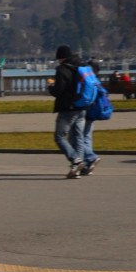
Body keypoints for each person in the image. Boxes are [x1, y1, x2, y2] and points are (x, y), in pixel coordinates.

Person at [48, 45, 87, 179]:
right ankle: (77, 169)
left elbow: (58, 91)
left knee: (59, 137)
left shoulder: (62, 70)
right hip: (81, 106)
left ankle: (76, 160)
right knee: (78, 137)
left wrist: (50, 86)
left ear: (61, 58)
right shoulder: (81, 66)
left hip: (67, 108)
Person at [79, 58, 102, 176]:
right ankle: (87, 165)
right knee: (87, 138)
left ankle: (90, 158)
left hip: (86, 111)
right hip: (93, 113)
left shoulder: (87, 80)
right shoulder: (96, 81)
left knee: (77, 139)